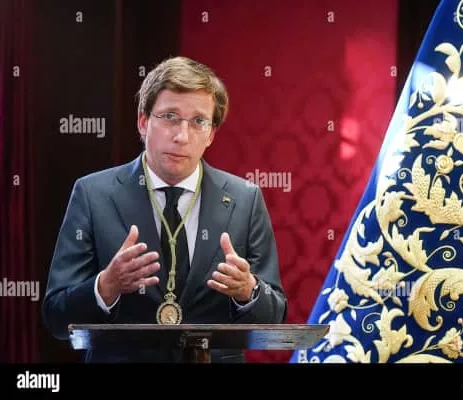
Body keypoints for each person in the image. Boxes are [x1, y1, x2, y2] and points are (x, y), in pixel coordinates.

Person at [41, 56, 287, 363]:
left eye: (198, 121)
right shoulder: (93, 194)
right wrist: (106, 286)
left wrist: (248, 291)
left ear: (211, 134)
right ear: (143, 122)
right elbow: (56, 317)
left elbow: (275, 315)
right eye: (170, 116)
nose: (182, 136)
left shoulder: (245, 199)